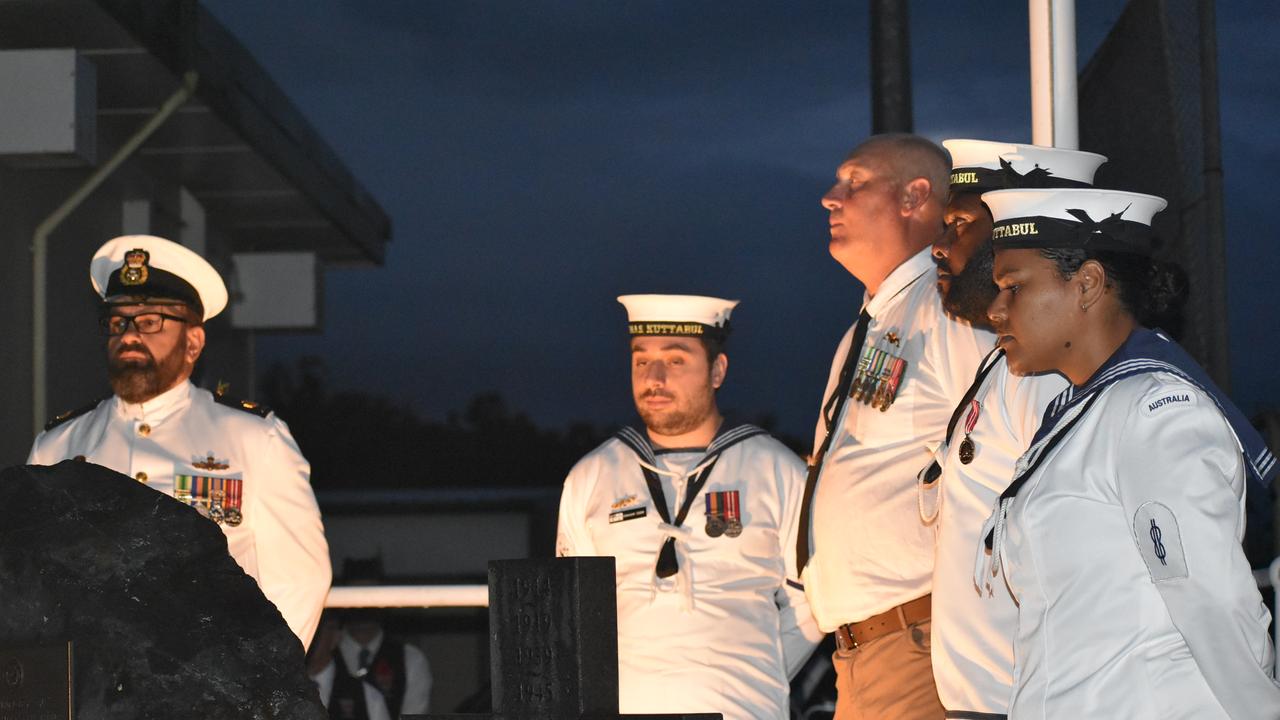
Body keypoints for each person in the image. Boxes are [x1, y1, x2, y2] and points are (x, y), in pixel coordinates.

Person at [976, 187, 1280, 718]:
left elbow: (1213, 602)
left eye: (1014, 287)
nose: (995, 309)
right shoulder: (1078, 415)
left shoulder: (1155, 410)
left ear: (1088, 284)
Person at [28, 234, 331, 649]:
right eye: (118, 321)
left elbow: (300, 579)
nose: (130, 335)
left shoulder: (255, 439)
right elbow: (34, 579)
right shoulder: (57, 446)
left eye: (150, 321)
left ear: (193, 342)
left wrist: (250, 688)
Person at [556, 294, 822, 720]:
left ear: (717, 370)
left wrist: (754, 674)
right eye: (641, 361)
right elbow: (577, 617)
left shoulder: (776, 469)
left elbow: (812, 603)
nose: (654, 377)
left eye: (676, 361)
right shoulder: (591, 477)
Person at [801, 134, 991, 718]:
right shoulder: (873, 323)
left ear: (915, 197)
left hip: (922, 644)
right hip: (864, 655)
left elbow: (1005, 460)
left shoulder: (952, 311)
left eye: (854, 182)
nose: (830, 199)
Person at [919, 139, 1101, 717]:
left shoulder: (1047, 375)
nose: (939, 246)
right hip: (990, 699)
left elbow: (1077, 562)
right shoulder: (1005, 363)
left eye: (959, 224)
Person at [308, 557, 433, 720]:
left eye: (370, 596)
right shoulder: (320, 655)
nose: (363, 605)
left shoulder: (409, 659)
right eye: (356, 597)